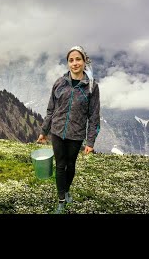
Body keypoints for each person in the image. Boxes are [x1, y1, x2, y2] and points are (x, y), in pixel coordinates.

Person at [37, 45, 100, 214]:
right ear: (67, 63)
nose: (74, 63)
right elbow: (51, 110)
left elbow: (94, 116)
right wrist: (44, 131)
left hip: (76, 134)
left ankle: (66, 190)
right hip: (57, 131)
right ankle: (61, 200)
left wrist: (90, 141)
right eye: (71, 60)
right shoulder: (59, 83)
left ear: (84, 61)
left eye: (78, 59)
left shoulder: (92, 87)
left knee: (71, 166)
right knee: (60, 165)